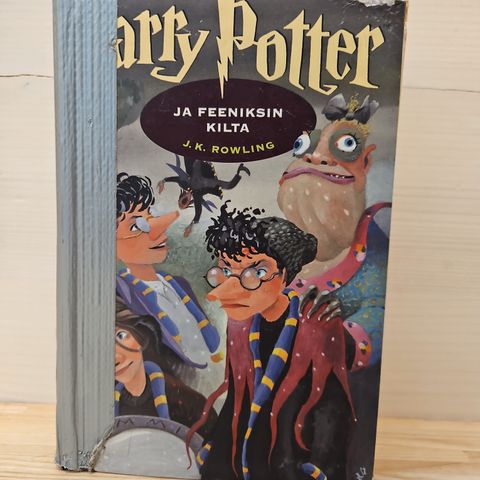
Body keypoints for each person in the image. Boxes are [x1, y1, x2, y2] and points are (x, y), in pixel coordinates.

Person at [187, 202, 356, 480]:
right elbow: (236, 401)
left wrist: (318, 470)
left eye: (257, 273)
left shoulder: (316, 327)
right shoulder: (240, 326)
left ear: (285, 275)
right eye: (225, 271)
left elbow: (332, 415)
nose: (232, 287)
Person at [278, 93, 390, 477]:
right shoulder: (283, 256)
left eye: (343, 148)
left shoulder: (375, 252)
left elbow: (380, 310)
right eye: (303, 148)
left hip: (347, 398)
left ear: (365, 162)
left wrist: (343, 338)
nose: (315, 159)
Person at [116, 173, 222, 370]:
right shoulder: (121, 297)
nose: (156, 229)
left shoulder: (179, 284)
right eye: (136, 226)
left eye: (151, 217)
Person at [114, 296, 217, 437]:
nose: (116, 357)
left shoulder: (186, 403)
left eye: (121, 336)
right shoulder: (101, 408)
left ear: (141, 335)